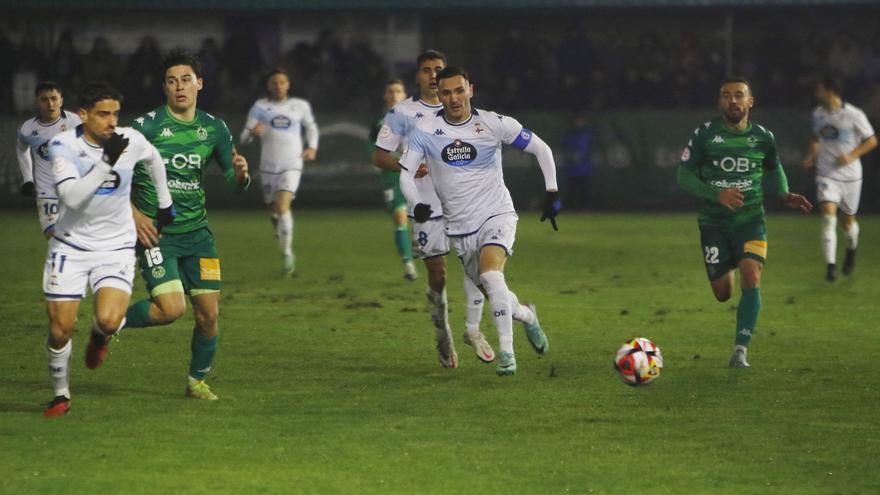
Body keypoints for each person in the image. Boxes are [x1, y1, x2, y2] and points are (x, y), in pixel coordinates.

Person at [398, 66, 559, 376]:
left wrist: (552, 192)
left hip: (497, 214)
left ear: (471, 89)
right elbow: (405, 174)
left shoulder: (493, 123)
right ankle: (527, 316)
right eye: (447, 92)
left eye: (460, 90)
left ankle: (507, 355)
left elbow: (541, 149)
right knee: (496, 293)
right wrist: (416, 203)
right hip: (460, 229)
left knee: (491, 274)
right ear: (439, 95)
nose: (454, 98)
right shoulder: (426, 131)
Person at [123, 48, 250, 401]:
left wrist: (241, 175)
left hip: (198, 236)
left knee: (209, 315)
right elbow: (112, 177)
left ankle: (196, 381)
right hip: (156, 235)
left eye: (185, 80)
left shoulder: (214, 128)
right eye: (172, 81)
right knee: (171, 310)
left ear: (199, 84)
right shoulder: (144, 127)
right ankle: (113, 320)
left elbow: (234, 179)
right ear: (164, 87)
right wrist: (134, 214)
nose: (179, 87)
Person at [42, 81, 174, 417]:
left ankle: (100, 337)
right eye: (103, 114)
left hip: (115, 247)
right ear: (83, 115)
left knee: (110, 320)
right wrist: (105, 162)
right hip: (70, 245)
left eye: (115, 113)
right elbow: (71, 197)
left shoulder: (130, 140)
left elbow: (154, 158)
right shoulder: (62, 146)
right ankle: (61, 395)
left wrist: (164, 203)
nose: (112, 121)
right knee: (61, 330)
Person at [676, 76, 812, 368]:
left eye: (739, 95)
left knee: (752, 275)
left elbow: (773, 168)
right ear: (720, 101)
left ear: (750, 101)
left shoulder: (763, 136)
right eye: (726, 95)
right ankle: (730, 264)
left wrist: (784, 194)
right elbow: (683, 175)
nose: (733, 101)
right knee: (723, 293)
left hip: (751, 221)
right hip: (713, 224)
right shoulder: (705, 135)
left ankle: (740, 350)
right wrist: (716, 194)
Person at [373, 51, 494, 369]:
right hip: (425, 206)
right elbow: (379, 155)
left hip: (465, 204)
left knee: (478, 266)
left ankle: (474, 329)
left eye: (437, 70)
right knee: (437, 275)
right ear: (418, 76)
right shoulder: (402, 113)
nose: (431, 75)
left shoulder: (463, 108)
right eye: (426, 70)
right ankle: (443, 333)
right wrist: (407, 166)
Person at [239, 68, 318, 276]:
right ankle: (277, 223)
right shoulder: (260, 107)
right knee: (272, 207)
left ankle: (287, 254)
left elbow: (311, 127)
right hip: (268, 166)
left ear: (288, 84)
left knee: (283, 206)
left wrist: (312, 147)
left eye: (282, 82)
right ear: (269, 86)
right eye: (274, 83)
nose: (278, 86)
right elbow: (243, 139)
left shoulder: (299, 106)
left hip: (292, 163)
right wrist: (251, 133)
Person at [802, 76, 877, 281]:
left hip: (851, 177)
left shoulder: (853, 114)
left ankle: (851, 251)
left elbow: (871, 140)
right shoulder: (817, 114)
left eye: (819, 90)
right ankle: (830, 268)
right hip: (826, 174)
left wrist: (851, 156)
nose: (816, 94)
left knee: (847, 222)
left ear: (829, 91)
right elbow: (817, 138)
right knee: (827, 217)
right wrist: (811, 155)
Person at [16, 81, 82, 238]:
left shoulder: (76, 122)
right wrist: (27, 179)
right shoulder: (28, 129)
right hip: (47, 192)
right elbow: (21, 149)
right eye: (44, 99)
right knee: (55, 238)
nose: (50, 104)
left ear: (61, 100)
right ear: (36, 102)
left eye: (54, 98)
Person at [369, 78, 417, 280]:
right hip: (392, 178)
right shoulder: (379, 123)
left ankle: (418, 238)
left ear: (404, 95)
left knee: (424, 218)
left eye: (398, 91)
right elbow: (377, 152)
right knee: (399, 218)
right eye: (390, 91)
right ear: (385, 95)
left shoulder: (417, 118)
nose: (394, 94)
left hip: (417, 177)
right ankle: (408, 265)